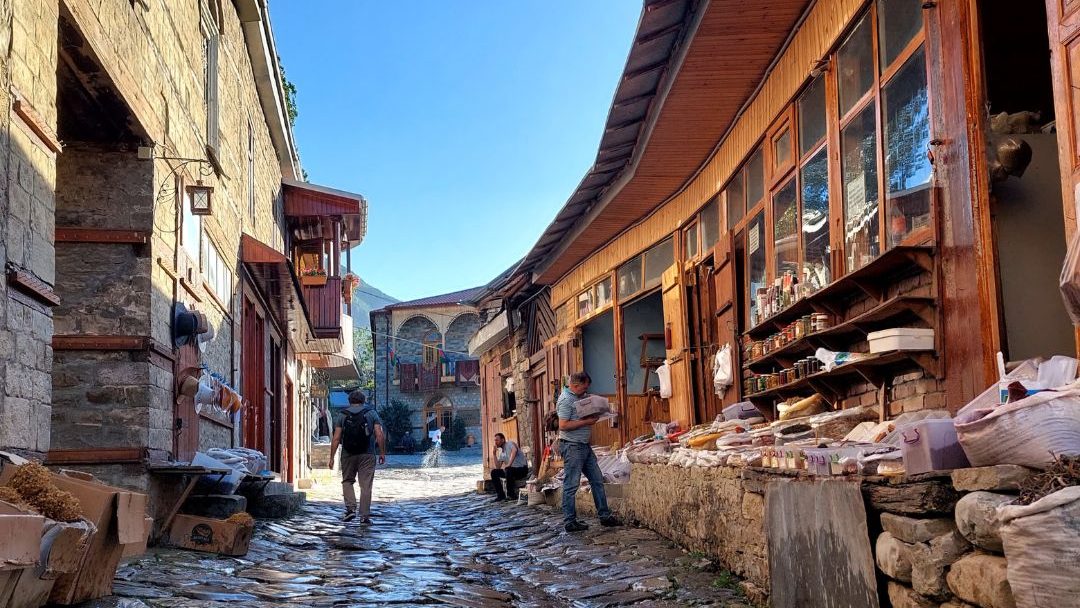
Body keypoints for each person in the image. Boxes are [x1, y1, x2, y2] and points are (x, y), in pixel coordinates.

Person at [557, 371, 621, 532]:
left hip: (583, 445)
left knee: (597, 479)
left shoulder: (578, 397)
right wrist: (585, 422)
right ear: (575, 385)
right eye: (584, 387)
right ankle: (570, 521)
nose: (585, 390)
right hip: (572, 446)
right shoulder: (566, 400)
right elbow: (563, 425)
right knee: (571, 484)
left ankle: (605, 516)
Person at [327, 390, 386, 523]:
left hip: (348, 454)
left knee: (347, 481)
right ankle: (364, 516)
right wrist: (382, 452)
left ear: (349, 401)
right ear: (364, 400)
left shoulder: (342, 414)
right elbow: (379, 434)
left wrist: (331, 457)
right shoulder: (371, 413)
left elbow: (336, 438)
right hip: (367, 453)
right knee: (366, 485)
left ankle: (350, 509)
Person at [490, 433, 528, 502]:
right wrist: (494, 454)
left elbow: (514, 450)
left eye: (497, 440)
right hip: (511, 472)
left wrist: (509, 464)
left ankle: (511, 495)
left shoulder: (509, 444)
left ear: (503, 440)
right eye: (495, 440)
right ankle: (501, 495)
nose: (495, 442)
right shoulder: (502, 453)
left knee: (508, 469)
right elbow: (498, 467)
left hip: (522, 469)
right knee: (494, 472)